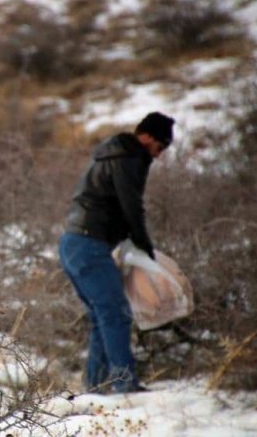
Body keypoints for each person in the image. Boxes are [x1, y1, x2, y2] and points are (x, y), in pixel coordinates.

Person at [59, 112, 175, 393]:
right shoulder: (128, 157)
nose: (158, 156)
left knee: (103, 316)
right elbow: (130, 204)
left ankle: (96, 386)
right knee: (116, 314)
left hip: (73, 243)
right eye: (159, 147)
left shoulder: (112, 153)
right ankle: (124, 385)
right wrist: (143, 242)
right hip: (89, 245)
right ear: (146, 137)